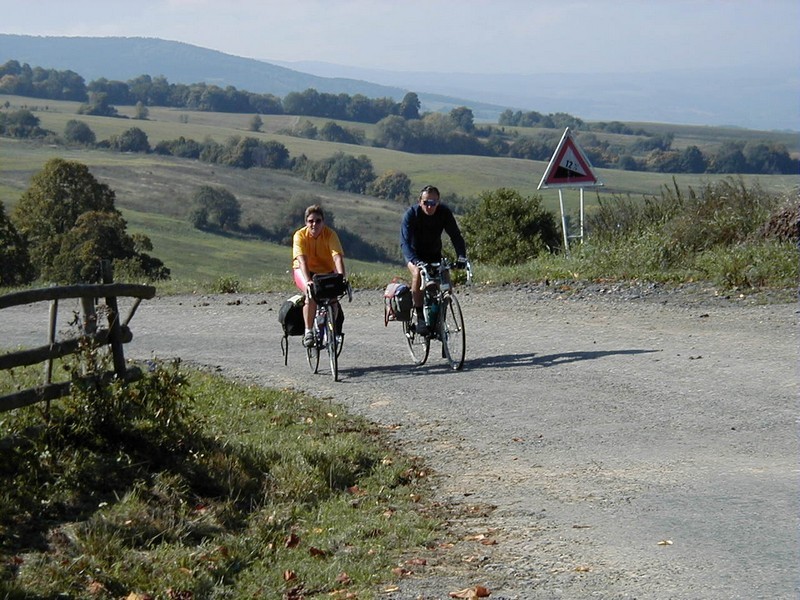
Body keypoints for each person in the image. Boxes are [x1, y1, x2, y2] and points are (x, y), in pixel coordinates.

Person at [400, 185, 467, 336]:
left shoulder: (444, 213)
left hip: (434, 254)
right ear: (420, 201)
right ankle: (421, 318)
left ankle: (440, 321)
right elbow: (404, 242)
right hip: (414, 254)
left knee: (446, 286)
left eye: (433, 203)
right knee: (418, 273)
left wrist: (461, 256)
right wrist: (415, 260)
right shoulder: (412, 214)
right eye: (426, 203)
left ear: (438, 202)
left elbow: (456, 236)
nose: (430, 207)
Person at [292, 204, 347, 347]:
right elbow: (302, 260)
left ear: (323, 222)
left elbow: (337, 258)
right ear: (306, 222)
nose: (314, 224)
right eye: (311, 221)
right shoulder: (300, 235)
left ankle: (332, 331)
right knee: (311, 295)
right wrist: (308, 280)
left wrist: (341, 278)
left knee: (333, 299)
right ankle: (308, 331)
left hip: (325, 271)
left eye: (318, 221)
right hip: (304, 271)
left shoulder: (330, 234)